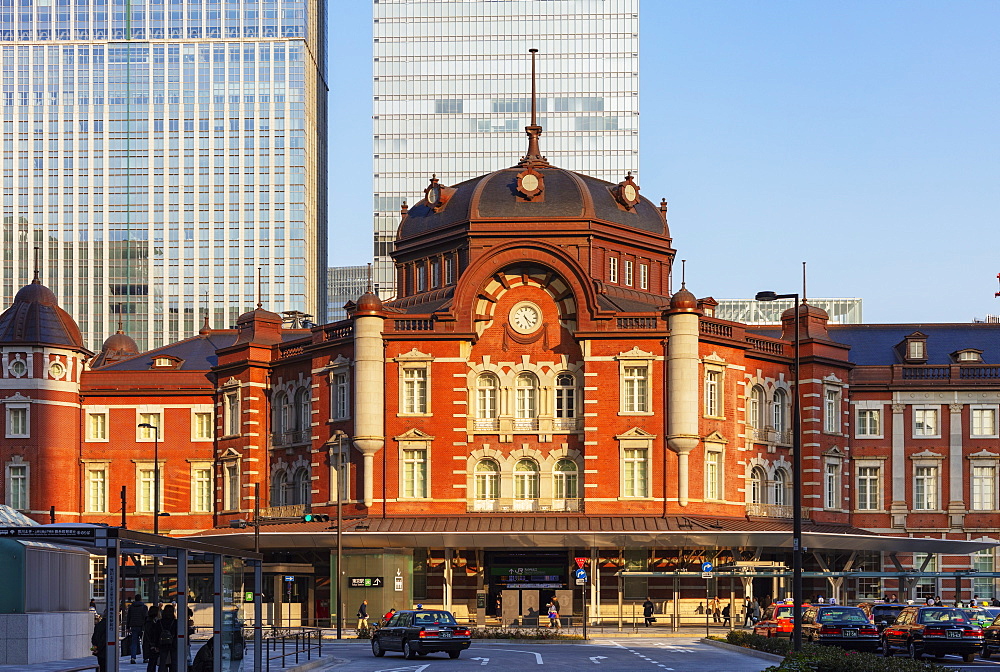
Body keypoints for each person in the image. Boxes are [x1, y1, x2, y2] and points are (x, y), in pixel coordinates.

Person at [126, 595, 149, 664]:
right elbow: (146, 617)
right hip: (142, 626)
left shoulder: (131, 607)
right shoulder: (144, 607)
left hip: (133, 626)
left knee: (134, 643)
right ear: (141, 599)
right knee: (144, 643)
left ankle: (133, 658)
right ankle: (145, 658)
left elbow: (128, 617)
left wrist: (127, 627)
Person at [157, 603, 179, 672]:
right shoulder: (176, 622)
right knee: (174, 662)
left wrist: (156, 645)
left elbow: (156, 633)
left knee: (163, 662)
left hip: (162, 644)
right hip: (173, 644)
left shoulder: (159, 622)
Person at [142, 605, 162, 672]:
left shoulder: (149, 621)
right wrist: (153, 645)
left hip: (149, 644)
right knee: (152, 662)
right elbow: (151, 634)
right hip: (151, 645)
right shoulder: (152, 622)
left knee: (152, 662)